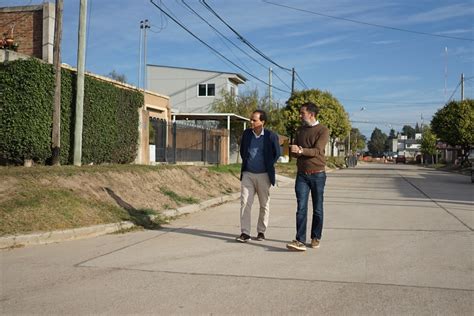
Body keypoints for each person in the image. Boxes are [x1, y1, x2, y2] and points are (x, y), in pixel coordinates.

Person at [286, 102, 329, 251]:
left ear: (311, 114)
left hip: (318, 174)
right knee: (301, 208)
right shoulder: (300, 130)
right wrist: (292, 149)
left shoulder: (323, 130)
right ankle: (300, 240)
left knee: (317, 208)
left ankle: (316, 237)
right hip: (302, 175)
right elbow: (295, 151)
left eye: (302, 113)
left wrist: (301, 150)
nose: (299, 115)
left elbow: (317, 151)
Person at [236, 109, 281, 243]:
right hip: (248, 174)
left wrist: (268, 165)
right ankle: (245, 233)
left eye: (254, 120)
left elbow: (276, 153)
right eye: (251, 119)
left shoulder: (270, 136)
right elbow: (243, 151)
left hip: (264, 175)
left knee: (264, 204)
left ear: (262, 122)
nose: (251, 122)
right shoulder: (247, 134)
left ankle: (261, 231)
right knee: (245, 203)